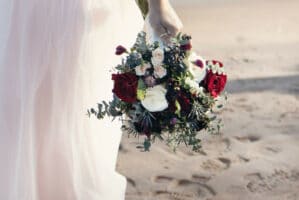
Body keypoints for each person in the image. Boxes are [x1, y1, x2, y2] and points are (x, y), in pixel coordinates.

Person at [0, 0, 182, 199]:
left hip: (24, 13)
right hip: (72, 14)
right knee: (74, 132)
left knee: (29, 125)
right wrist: (158, 6)